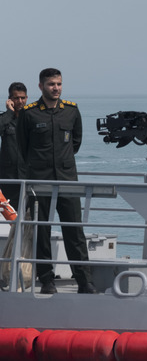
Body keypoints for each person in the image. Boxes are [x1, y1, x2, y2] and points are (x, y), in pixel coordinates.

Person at [16, 68, 96, 294]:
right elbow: (23, 148)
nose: (56, 88)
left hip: (67, 180)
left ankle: (84, 280)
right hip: (39, 182)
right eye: (51, 84)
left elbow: (76, 143)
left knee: (74, 231)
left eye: (59, 84)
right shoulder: (30, 114)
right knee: (42, 232)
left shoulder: (71, 111)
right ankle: (47, 281)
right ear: (41, 86)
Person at [0, 83, 28, 211]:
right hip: (8, 176)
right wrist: (9, 112)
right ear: (10, 99)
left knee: (29, 214)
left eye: (23, 98)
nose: (20, 101)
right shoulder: (5, 118)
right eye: (16, 98)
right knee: (9, 213)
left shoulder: (31, 119)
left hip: (27, 175)